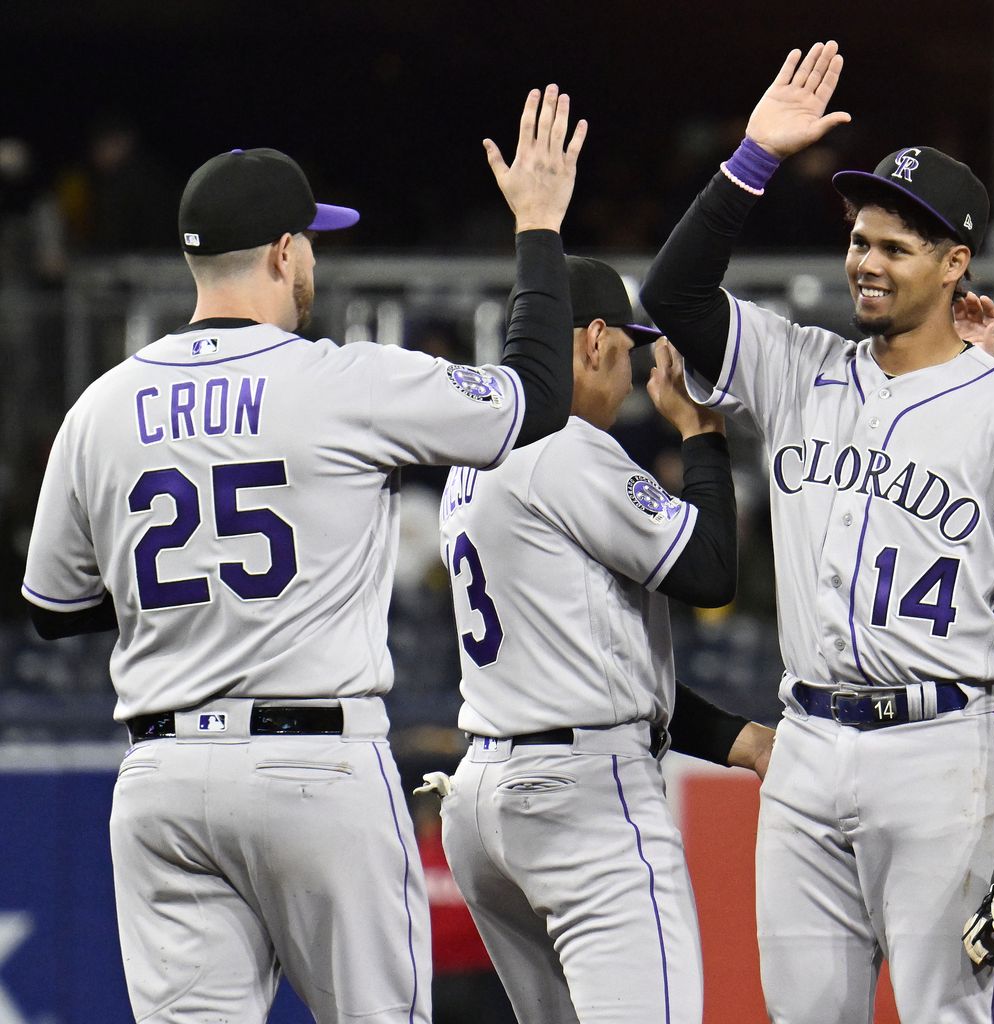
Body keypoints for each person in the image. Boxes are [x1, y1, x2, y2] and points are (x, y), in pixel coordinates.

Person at [20, 84, 586, 1023]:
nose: (315, 254)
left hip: (160, 778)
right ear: (285, 251)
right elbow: (535, 394)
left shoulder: (100, 406)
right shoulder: (342, 381)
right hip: (313, 768)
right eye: (312, 238)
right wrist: (536, 225)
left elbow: (53, 607)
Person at [640, 41, 994, 1024]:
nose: (865, 260)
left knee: (947, 1011)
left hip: (941, 747)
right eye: (859, 238)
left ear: (954, 266)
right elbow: (672, 295)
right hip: (807, 740)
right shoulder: (795, 363)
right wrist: (752, 160)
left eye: (895, 247)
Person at [421, 255, 773, 1024]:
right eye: (629, 350)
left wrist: (734, 739)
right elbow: (711, 571)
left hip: (485, 795)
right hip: (579, 800)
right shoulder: (567, 443)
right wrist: (703, 435)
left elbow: (591, 658)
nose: (632, 368)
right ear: (593, 340)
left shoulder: (474, 456)